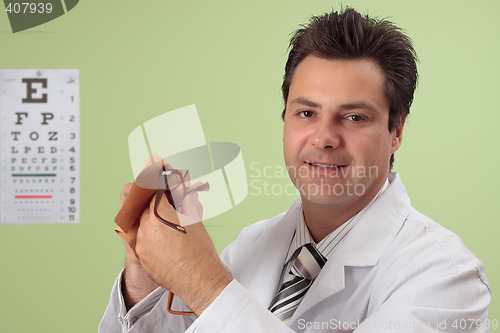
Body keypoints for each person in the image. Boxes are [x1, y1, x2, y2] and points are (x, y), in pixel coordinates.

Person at [99, 8, 490, 333]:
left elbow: (215, 303)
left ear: (396, 131)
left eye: (354, 117)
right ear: (284, 117)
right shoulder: (253, 246)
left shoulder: (445, 277)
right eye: (306, 113)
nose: (324, 138)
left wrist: (204, 283)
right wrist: (145, 273)